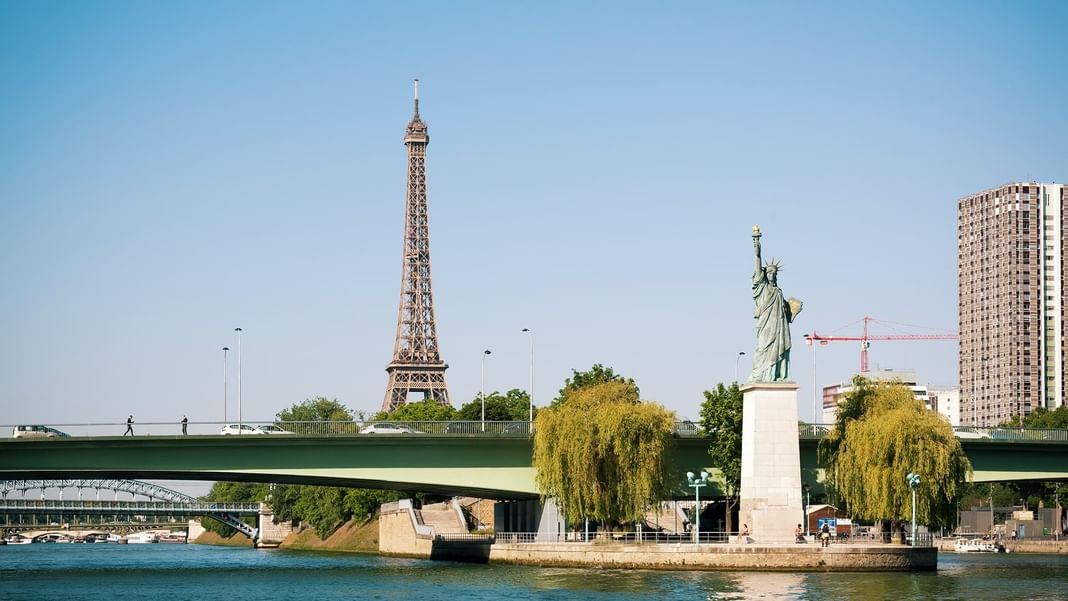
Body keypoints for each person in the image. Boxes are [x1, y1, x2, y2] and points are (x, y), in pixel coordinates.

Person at [749, 226, 801, 382]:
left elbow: (785, 311)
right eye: (769, 272)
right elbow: (758, 262)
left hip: (779, 327)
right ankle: (762, 375)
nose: (772, 275)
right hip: (765, 325)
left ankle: (776, 375)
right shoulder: (762, 287)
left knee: (778, 349)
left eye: (774, 273)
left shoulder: (778, 291)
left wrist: (792, 310)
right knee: (762, 349)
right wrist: (757, 242)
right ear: (765, 274)